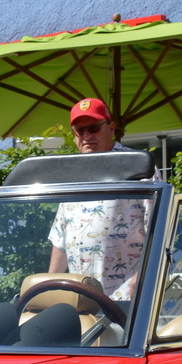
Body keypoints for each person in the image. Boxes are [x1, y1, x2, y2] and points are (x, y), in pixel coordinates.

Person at [46, 97, 151, 301]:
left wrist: (143, 277)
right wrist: (49, 286)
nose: (86, 136)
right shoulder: (72, 176)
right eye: (79, 131)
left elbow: (158, 228)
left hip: (128, 295)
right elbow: (61, 237)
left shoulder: (138, 167)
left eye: (93, 128)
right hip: (81, 298)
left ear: (111, 128)